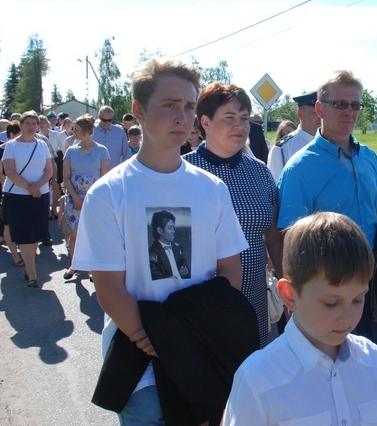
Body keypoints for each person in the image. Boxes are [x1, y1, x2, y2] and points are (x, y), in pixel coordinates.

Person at [71, 58, 248, 425]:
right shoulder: (109, 193)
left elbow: (231, 271)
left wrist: (192, 335)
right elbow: (108, 288)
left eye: (188, 106)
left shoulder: (211, 189)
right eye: (169, 105)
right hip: (142, 367)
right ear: (138, 110)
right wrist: (158, 338)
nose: (182, 116)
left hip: (203, 353)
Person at [223, 212, 377, 426]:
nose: (346, 318)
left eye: (357, 299)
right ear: (289, 295)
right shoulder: (258, 380)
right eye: (331, 303)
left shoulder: (373, 361)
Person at [277, 70, 377, 346]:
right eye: (341, 104)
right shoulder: (300, 168)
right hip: (326, 285)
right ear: (320, 109)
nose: (350, 112)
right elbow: (288, 237)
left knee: (367, 355)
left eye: (356, 105)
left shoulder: (368, 157)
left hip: (370, 278)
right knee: (325, 362)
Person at [184, 82, 283, 348]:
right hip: (205, 301)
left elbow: (272, 236)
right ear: (205, 122)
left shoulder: (260, 172)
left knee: (253, 373)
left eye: (244, 118)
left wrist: (287, 283)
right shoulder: (184, 172)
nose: (239, 125)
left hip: (255, 299)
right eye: (229, 118)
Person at [2, 111, 53, 288]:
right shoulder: (11, 146)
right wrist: (29, 187)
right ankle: (32, 273)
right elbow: (9, 171)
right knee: (25, 236)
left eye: (34, 123)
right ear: (21, 125)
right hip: (18, 196)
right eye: (28, 123)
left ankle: (29, 267)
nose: (31, 127)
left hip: (40, 194)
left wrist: (37, 186)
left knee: (36, 235)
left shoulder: (42, 145)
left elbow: (49, 170)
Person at [61, 114, 110, 280]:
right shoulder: (71, 151)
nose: (74, 133)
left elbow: (104, 178)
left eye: (78, 130)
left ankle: (92, 267)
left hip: (94, 200)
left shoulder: (101, 151)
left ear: (87, 131)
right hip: (74, 199)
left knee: (91, 235)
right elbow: (66, 177)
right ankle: (74, 264)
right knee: (74, 235)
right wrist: (74, 197)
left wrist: (90, 199)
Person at [267, 91, 320, 181]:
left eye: (322, 112)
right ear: (300, 114)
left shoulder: (335, 145)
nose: (320, 117)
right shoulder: (282, 149)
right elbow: (274, 189)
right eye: (315, 113)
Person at [0, 121, 23, 263]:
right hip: (8, 191)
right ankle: (15, 256)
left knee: (23, 223)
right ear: (11, 135)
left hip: (24, 191)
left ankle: (26, 253)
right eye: (19, 134)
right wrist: (15, 187)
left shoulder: (25, 149)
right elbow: (0, 174)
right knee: (8, 225)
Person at [147, 210, 191, 280]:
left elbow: (187, 272)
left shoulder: (178, 248)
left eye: (173, 227)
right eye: (170, 227)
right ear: (160, 230)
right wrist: (179, 276)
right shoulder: (152, 254)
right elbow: (159, 281)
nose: (174, 231)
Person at [92, 105, 130, 170]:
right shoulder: (91, 132)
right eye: (104, 120)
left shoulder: (120, 132)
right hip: (96, 174)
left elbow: (126, 154)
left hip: (115, 173)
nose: (107, 122)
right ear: (99, 118)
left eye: (110, 120)